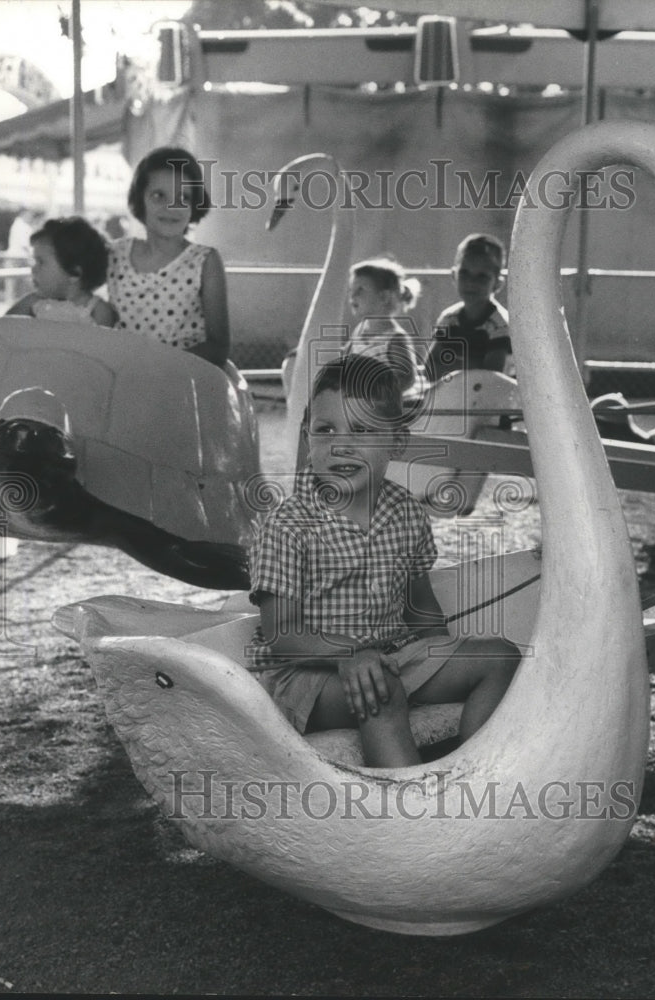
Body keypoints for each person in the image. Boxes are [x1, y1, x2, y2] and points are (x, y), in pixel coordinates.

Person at [248, 354, 521, 768]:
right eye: (326, 430)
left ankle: (471, 775)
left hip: (390, 656)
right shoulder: (287, 525)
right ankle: (409, 813)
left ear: (395, 441)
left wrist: (441, 657)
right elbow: (281, 634)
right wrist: (349, 655)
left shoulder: (405, 512)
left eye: (361, 430)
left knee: (498, 656)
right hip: (308, 678)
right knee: (381, 688)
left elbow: (421, 606)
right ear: (307, 437)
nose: (341, 444)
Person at [107, 146, 230, 368]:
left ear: (195, 204)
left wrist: (157, 366)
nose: (171, 207)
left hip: (182, 378)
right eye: (158, 195)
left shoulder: (205, 261)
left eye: (183, 197)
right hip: (124, 376)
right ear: (140, 199)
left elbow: (218, 345)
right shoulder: (114, 254)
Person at [424, 233, 512, 382]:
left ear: (498, 283)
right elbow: (429, 369)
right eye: (464, 273)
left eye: (482, 277)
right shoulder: (449, 318)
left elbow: (491, 378)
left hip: (495, 401)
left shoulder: (499, 324)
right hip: (456, 395)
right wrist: (470, 367)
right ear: (454, 276)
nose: (471, 283)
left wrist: (450, 367)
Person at [6, 217, 117, 327]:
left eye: (41, 262)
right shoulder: (31, 303)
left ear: (74, 273)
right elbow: (0, 330)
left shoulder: (98, 311)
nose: (33, 269)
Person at [343, 256, 423, 392]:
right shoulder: (360, 330)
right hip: (361, 401)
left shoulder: (395, 339)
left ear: (384, 297)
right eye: (351, 290)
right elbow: (346, 359)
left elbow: (407, 378)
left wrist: (380, 391)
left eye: (360, 290)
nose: (352, 296)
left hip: (387, 407)